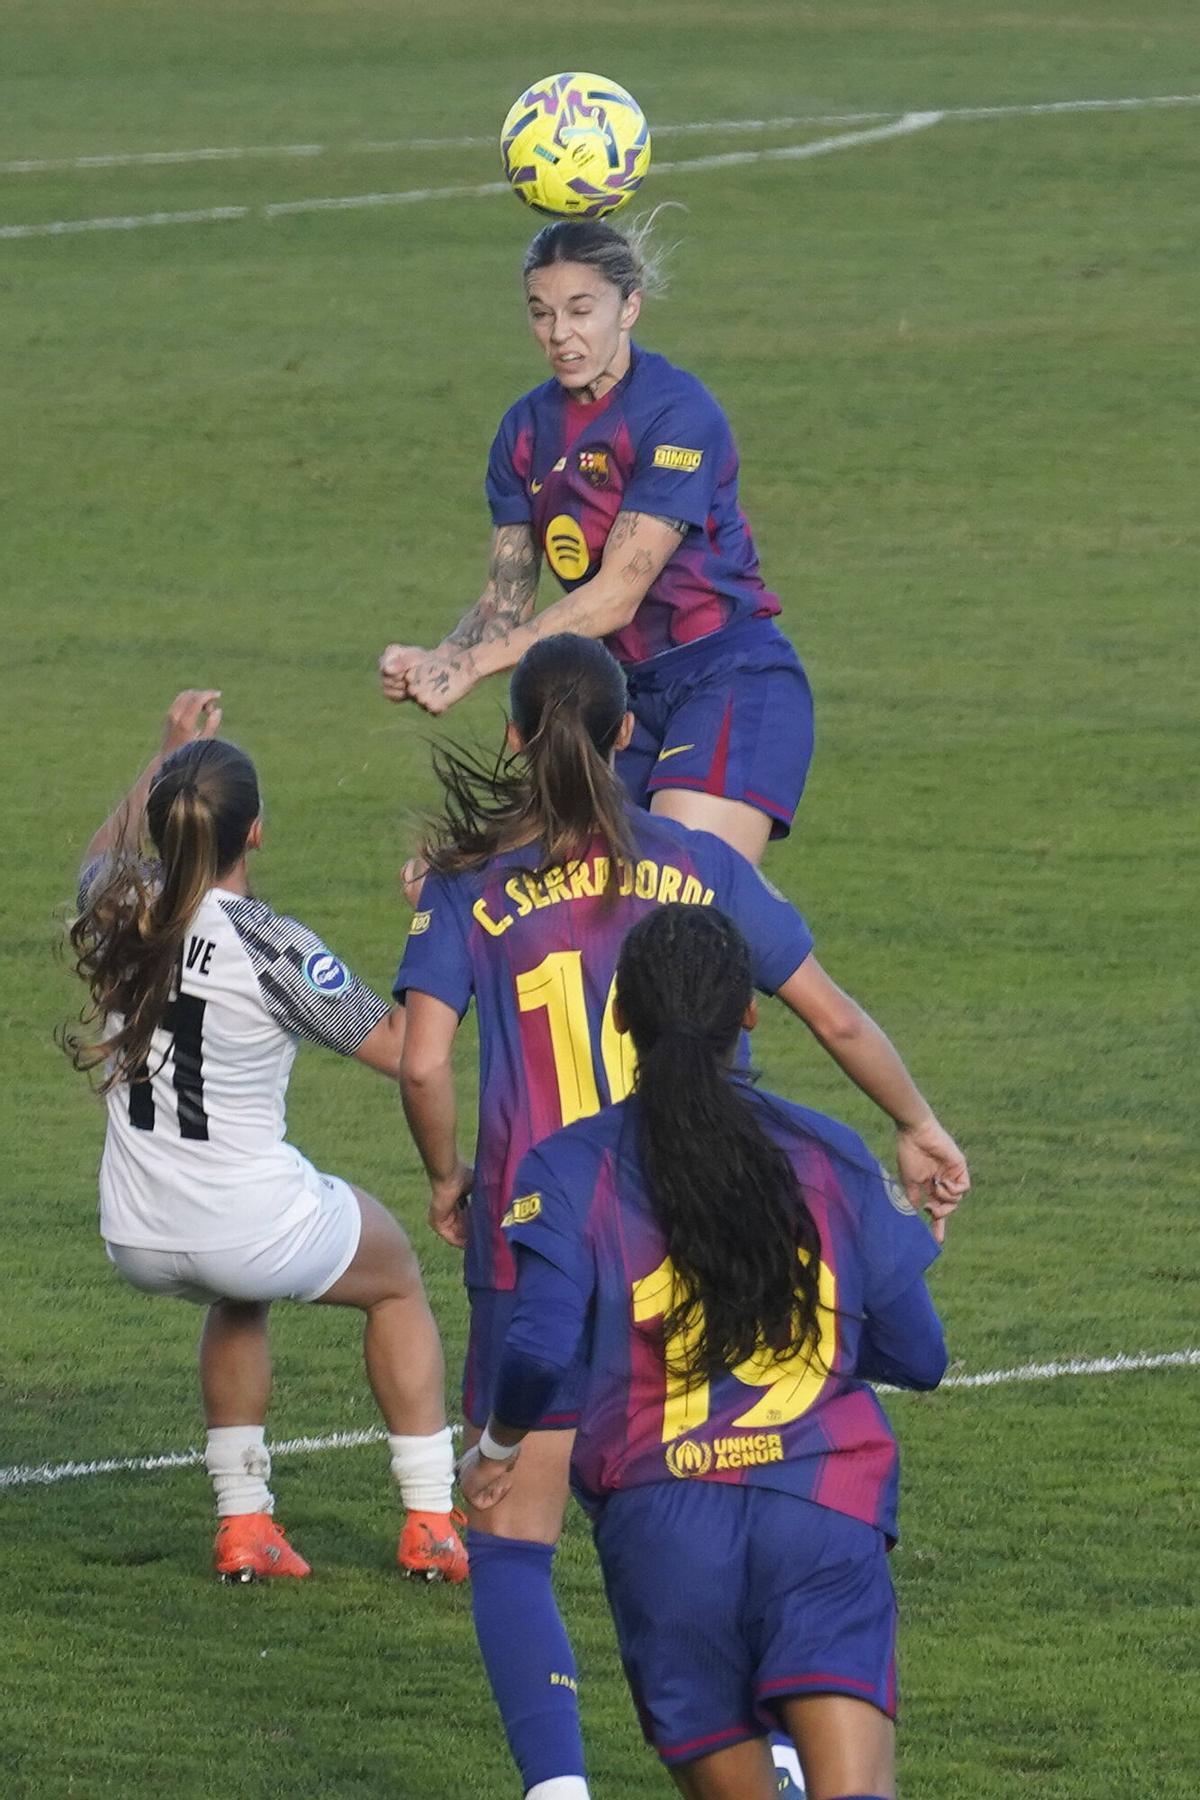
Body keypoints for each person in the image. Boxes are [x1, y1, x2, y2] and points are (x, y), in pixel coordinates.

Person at [395, 636, 968, 1797]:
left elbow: (420, 1064)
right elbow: (835, 1018)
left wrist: (449, 1174)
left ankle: (559, 1786)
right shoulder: (698, 863)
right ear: (625, 739)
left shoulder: (471, 890)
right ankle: (792, 1746)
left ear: (515, 739)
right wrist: (914, 1119)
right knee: (746, 1458)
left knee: (514, 1531)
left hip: (547, 1232)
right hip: (705, 1219)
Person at [460, 905, 949, 1800]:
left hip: (664, 1524)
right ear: (749, 1015)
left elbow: (534, 1351)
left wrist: (497, 1449)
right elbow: (921, 1354)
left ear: (622, 1019)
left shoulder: (570, 1168)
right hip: (821, 1505)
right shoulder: (826, 1151)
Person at [64, 691, 466, 1585]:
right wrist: (430, 919)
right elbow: (406, 1050)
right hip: (244, 1222)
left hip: (136, 1232)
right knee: (396, 1279)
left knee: (238, 1295)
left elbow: (97, 860)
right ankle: (432, 1521)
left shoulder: (119, 905)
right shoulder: (272, 944)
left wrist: (164, 753)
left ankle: (245, 1526)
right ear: (255, 835)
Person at [380, 214, 814, 864]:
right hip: (622, 700)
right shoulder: (523, 432)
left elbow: (615, 597)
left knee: (680, 897)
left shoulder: (677, 413)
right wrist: (435, 656)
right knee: (589, 917)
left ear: (629, 305)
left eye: (581, 310)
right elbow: (505, 602)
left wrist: (466, 669)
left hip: (728, 678)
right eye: (541, 313)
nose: (560, 334)